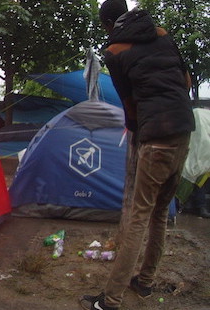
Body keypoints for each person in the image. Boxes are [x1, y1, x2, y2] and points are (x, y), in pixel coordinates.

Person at [79, 1, 196, 310]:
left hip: (155, 138)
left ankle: (111, 300)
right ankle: (144, 281)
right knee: (159, 212)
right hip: (183, 129)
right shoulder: (161, 33)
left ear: (107, 22)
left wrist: (138, 130)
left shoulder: (115, 51)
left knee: (137, 216)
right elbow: (186, 82)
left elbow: (128, 102)